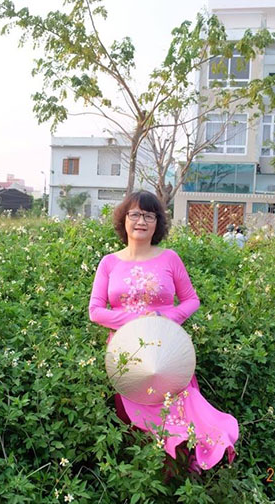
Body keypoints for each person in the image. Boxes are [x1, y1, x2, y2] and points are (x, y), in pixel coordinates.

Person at [89, 190, 238, 472]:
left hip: (168, 350)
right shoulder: (109, 262)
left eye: (149, 215)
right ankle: (148, 477)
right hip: (127, 353)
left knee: (179, 410)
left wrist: (162, 317)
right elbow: (95, 310)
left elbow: (191, 300)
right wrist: (135, 320)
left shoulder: (170, 258)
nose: (141, 221)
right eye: (135, 214)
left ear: (158, 222)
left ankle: (186, 466)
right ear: (124, 219)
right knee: (135, 417)